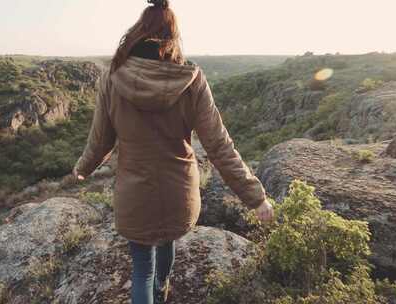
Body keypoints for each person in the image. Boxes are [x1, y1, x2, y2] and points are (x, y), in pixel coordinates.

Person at [72, 0, 274, 303]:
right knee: (166, 242)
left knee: (141, 269)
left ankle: (154, 291)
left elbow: (101, 139)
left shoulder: (112, 78)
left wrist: (83, 168)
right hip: (178, 192)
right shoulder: (191, 79)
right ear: (172, 36)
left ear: (138, 32)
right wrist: (254, 195)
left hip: (134, 193)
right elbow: (218, 144)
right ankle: (162, 290)